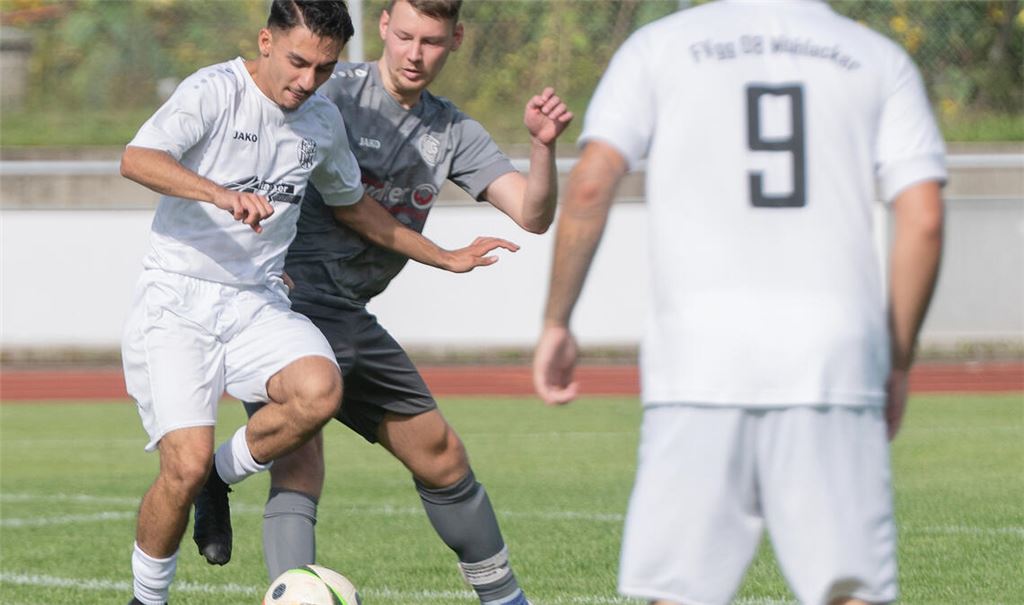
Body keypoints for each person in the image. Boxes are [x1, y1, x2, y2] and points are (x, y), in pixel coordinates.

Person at [532, 1, 945, 604]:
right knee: (850, 593)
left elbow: (592, 182)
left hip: (698, 360)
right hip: (831, 358)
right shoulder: (877, 58)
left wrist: (556, 322)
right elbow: (925, 218)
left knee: (679, 592)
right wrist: (898, 357)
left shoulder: (659, 47)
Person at [120, 2, 515, 604]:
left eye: (324, 69)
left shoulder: (321, 120)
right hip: (178, 299)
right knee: (182, 466)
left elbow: (355, 206)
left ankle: (217, 481)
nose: (306, 81)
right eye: (298, 62)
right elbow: (138, 159)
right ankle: (146, 596)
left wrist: (445, 256)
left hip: (258, 300)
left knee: (319, 392)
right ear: (267, 42)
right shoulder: (215, 91)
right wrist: (220, 194)